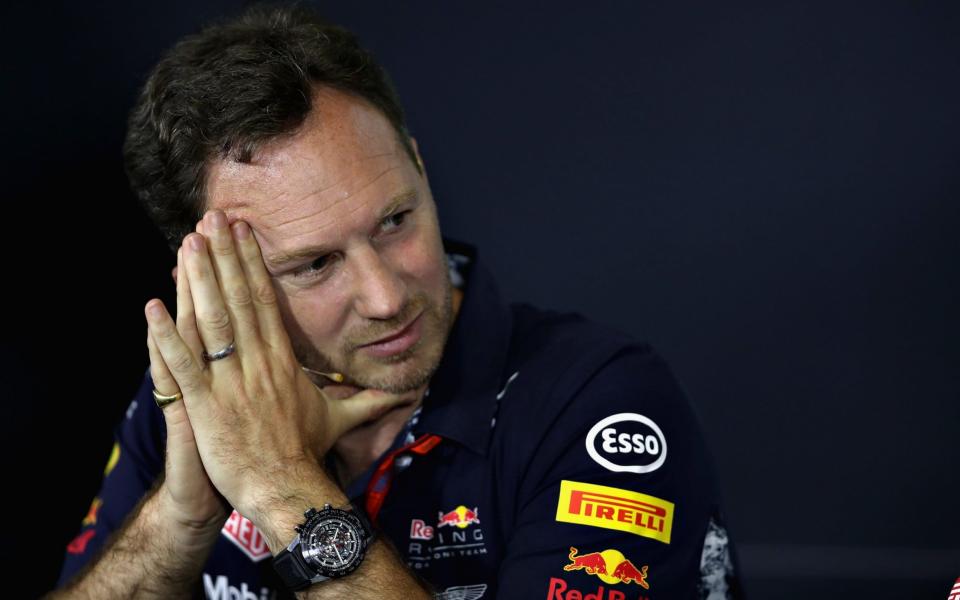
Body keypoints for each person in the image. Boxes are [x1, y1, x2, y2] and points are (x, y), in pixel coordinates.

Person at [50, 4, 743, 599]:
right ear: (209, 279)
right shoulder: (201, 399)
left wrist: (279, 484)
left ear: (417, 165)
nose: (386, 297)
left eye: (394, 221)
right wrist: (180, 517)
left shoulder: (598, 400)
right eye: (315, 264)